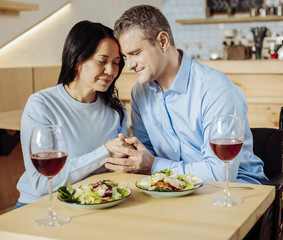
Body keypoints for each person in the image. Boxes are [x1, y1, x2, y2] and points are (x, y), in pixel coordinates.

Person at [106, 4, 268, 184]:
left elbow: (221, 172)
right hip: (174, 186)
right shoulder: (140, 93)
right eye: (126, 57)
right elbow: (145, 155)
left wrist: (152, 166)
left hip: (233, 187)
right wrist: (132, 157)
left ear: (163, 42)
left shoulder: (215, 90)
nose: (129, 66)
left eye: (135, 53)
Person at [15, 20, 128, 208]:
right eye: (102, 61)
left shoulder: (116, 109)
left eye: (116, 63)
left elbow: (118, 170)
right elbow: (42, 183)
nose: (111, 71)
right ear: (77, 61)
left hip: (93, 203)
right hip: (41, 205)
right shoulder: (42, 104)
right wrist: (104, 152)